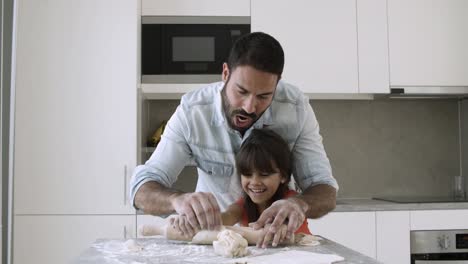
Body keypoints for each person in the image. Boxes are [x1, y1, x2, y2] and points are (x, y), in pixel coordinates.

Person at [130, 32, 338, 246]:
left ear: (277, 84)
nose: (249, 107)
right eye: (242, 91)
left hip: (276, 245)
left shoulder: (296, 109)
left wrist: (299, 204)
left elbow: (324, 189)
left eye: (263, 96)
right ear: (225, 73)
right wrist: (177, 200)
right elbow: (141, 188)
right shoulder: (193, 112)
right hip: (212, 243)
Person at [171, 129, 312, 248]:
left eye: (264, 174)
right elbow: (225, 218)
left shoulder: (291, 203)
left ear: (283, 176)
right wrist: (193, 220)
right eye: (247, 174)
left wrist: (282, 227)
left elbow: (291, 222)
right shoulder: (243, 205)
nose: (254, 182)